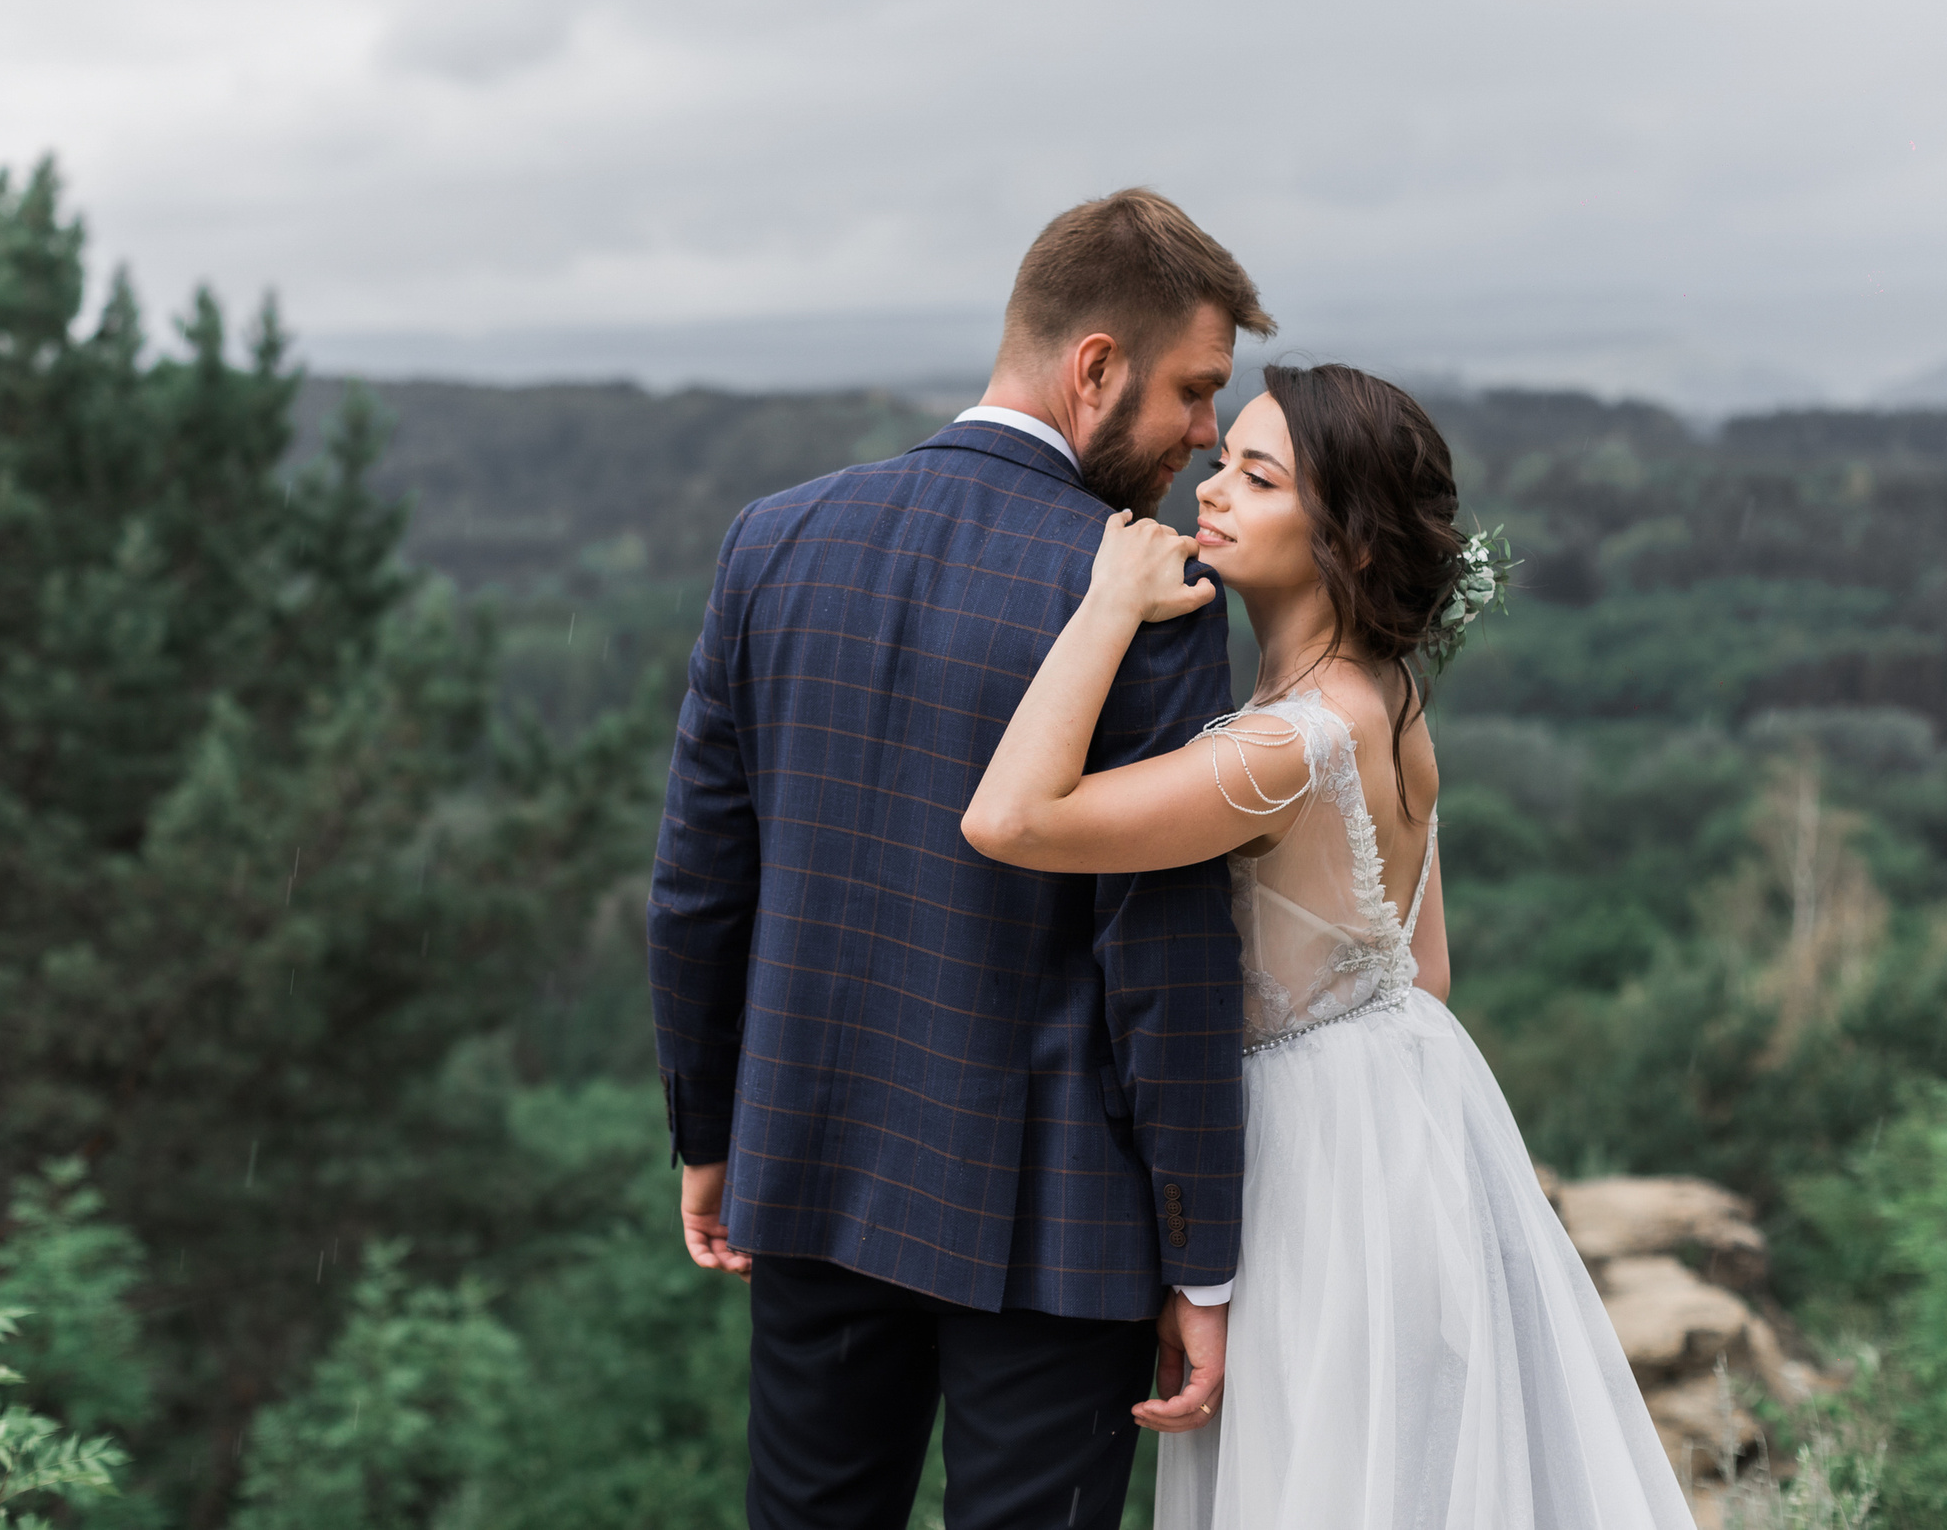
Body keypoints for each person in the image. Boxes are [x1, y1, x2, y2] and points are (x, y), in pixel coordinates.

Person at [962, 365, 1694, 1528]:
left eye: (1258, 478)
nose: (1212, 491)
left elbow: (1008, 820)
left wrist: (1106, 604)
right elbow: (1426, 970)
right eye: (1222, 463)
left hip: (1314, 1164)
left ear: (1348, 543)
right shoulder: (1387, 699)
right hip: (1411, 1121)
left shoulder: (1289, 745)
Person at [649, 189, 1274, 1530]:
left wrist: (713, 1129)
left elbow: (703, 881)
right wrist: (1198, 1252)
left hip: (808, 1158)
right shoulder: (1150, 593)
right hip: (1054, 1217)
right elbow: (1162, 955)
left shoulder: (775, 538)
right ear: (1094, 364)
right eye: (1195, 390)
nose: (1204, 435)